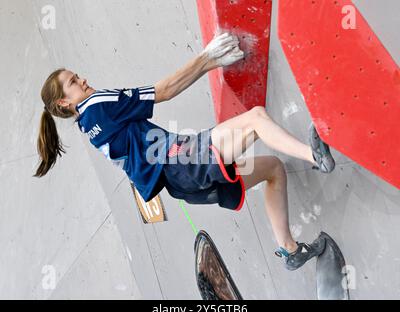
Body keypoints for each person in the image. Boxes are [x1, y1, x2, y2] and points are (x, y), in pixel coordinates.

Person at [34, 33, 335, 271]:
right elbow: (163, 90)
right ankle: (314, 155)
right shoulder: (96, 103)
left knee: (274, 169)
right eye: (73, 82)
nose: (82, 80)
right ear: (64, 103)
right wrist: (207, 57)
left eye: (77, 76)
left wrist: (210, 62)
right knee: (256, 118)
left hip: (184, 184)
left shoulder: (88, 126)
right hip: (182, 160)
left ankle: (291, 251)